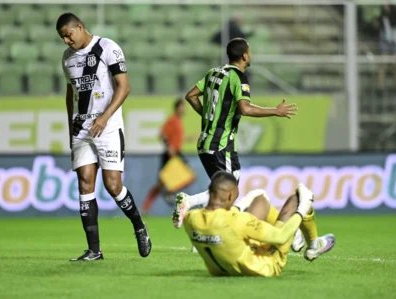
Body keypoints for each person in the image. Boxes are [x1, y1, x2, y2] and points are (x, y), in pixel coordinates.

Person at [172, 38, 297, 229]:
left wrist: (209, 117)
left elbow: (191, 96)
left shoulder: (213, 73)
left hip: (205, 142)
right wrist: (275, 111)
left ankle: (204, 236)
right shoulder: (238, 77)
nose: (251, 54)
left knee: (222, 192)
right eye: (250, 51)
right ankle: (189, 202)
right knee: (229, 191)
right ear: (245, 55)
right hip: (221, 145)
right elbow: (245, 108)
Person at [57, 13, 151, 261]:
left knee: (112, 185)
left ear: (80, 27)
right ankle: (94, 250)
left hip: (107, 127)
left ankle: (139, 226)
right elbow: (71, 95)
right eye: (62, 38)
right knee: (85, 183)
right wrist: (70, 129)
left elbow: (124, 86)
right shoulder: (67, 59)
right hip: (81, 129)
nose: (66, 41)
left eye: (69, 35)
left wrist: (105, 117)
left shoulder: (108, 48)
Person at [183, 171, 335, 277]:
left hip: (224, 267)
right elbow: (280, 237)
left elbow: (221, 218)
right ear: (229, 195)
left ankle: (298, 237)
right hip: (263, 266)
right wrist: (304, 206)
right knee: (297, 198)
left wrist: (243, 203)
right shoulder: (238, 221)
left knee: (261, 200)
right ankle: (312, 243)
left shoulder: (190, 219)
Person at [142, 98, 190, 214]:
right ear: (177, 107)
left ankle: (168, 191)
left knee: (187, 176)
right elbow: (162, 134)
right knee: (163, 181)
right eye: (182, 106)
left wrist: (190, 139)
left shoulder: (178, 121)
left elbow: (177, 139)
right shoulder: (172, 120)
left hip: (176, 153)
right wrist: (169, 147)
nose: (184, 109)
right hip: (170, 154)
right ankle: (147, 206)